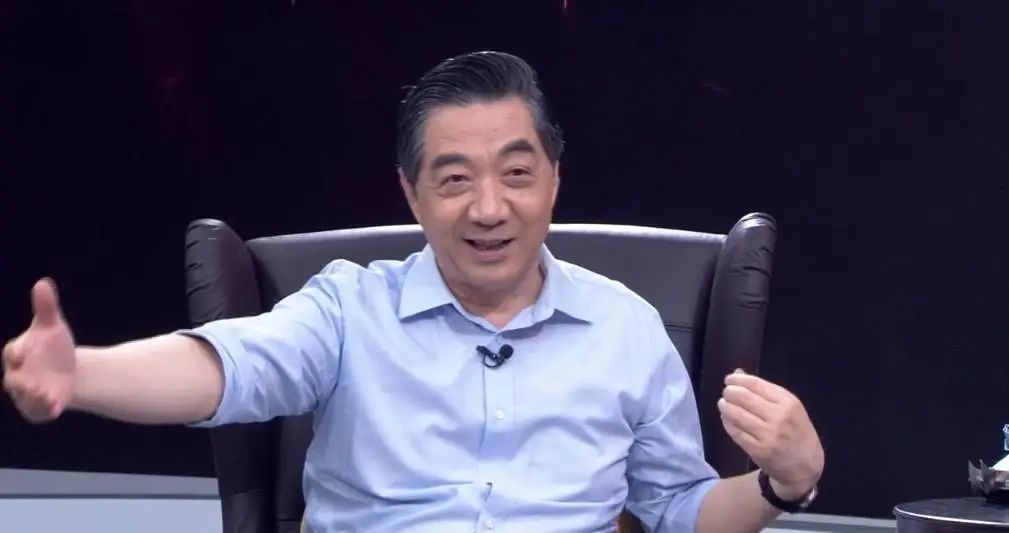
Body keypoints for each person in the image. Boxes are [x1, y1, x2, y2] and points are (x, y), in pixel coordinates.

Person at [3, 51, 824, 532]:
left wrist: (782, 482)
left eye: (515, 173)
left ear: (553, 179)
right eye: (455, 178)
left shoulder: (625, 328)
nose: (489, 208)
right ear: (411, 194)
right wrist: (83, 374)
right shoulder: (347, 309)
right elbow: (227, 366)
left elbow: (679, 508)